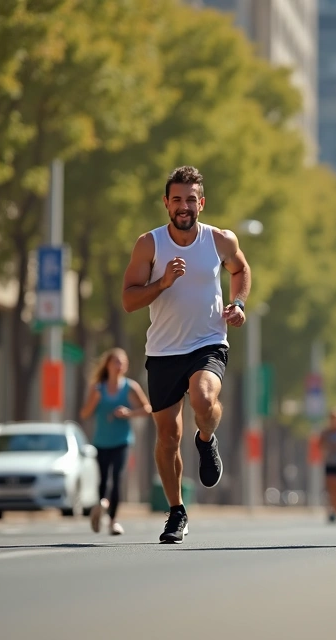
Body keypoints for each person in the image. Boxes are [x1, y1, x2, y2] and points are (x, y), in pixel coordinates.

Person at [122, 165, 250, 544]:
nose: (184, 206)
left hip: (208, 341)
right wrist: (162, 283)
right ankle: (176, 511)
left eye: (191, 199)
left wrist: (238, 303)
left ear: (201, 203)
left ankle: (207, 439)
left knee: (204, 396)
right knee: (167, 436)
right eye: (176, 199)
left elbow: (240, 269)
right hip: (163, 350)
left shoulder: (219, 239)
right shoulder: (150, 244)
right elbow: (129, 299)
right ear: (166, 203)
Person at [80, 348, 151, 536]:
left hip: (122, 441)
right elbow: (85, 414)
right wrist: (94, 401)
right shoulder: (98, 388)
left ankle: (112, 520)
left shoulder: (130, 387)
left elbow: (147, 408)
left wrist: (129, 413)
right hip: (101, 441)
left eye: (122, 362)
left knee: (117, 478)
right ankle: (102, 505)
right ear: (108, 365)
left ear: (126, 366)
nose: (119, 365)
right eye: (115, 362)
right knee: (103, 478)